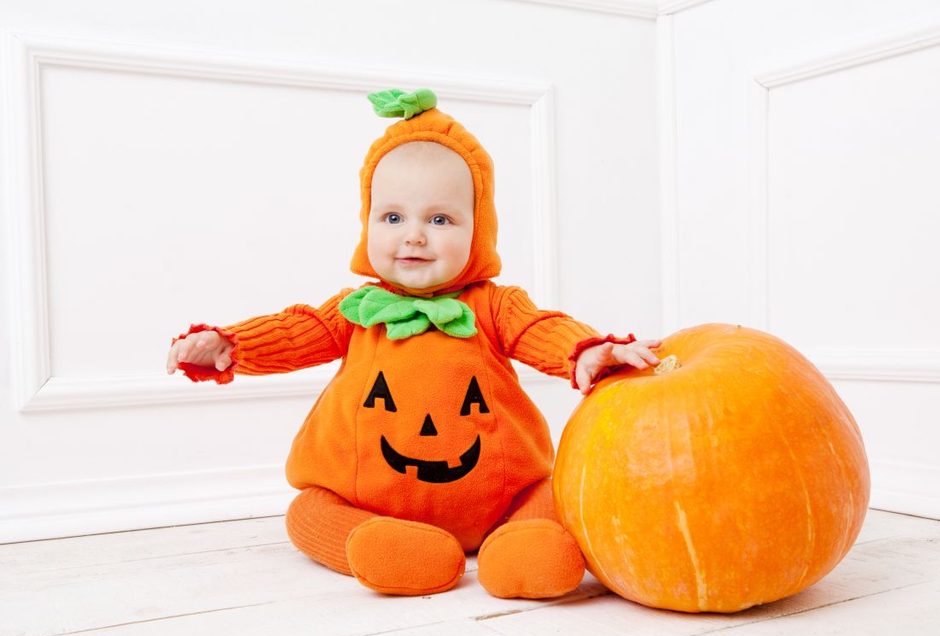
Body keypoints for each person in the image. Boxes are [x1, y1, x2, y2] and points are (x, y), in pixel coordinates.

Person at [166, 87, 661, 599]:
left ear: (479, 231)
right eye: (393, 217)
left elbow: (540, 329)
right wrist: (230, 344)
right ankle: (380, 544)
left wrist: (585, 350)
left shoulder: (493, 305)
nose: (414, 236)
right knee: (307, 511)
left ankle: (523, 541)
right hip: (364, 498)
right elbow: (297, 329)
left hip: (499, 498)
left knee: (550, 492)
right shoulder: (357, 310)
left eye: (440, 219)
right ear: (368, 223)